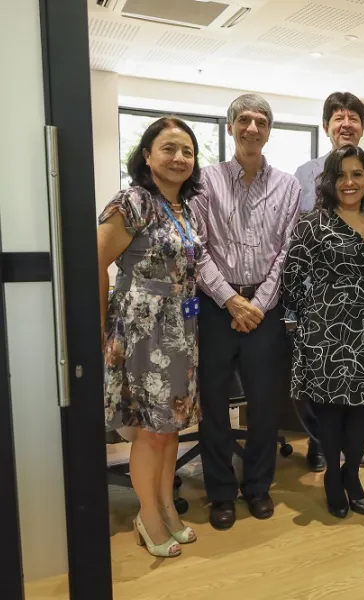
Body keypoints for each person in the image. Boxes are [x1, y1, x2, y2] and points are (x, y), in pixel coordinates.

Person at [194, 94, 301, 531]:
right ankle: (220, 492)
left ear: (269, 131)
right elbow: (196, 247)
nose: (252, 128)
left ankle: (258, 487)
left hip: (265, 310)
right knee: (214, 405)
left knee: (265, 404)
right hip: (216, 308)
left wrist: (257, 304)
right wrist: (230, 300)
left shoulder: (288, 186)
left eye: (260, 121)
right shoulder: (205, 180)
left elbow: (287, 251)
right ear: (230, 127)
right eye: (244, 119)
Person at [98, 116, 203, 558]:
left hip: (181, 329)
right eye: (169, 148)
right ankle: (148, 515)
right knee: (148, 432)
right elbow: (95, 262)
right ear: (146, 155)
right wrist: (100, 330)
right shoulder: (132, 202)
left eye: (187, 151)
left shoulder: (186, 208)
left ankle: (166, 507)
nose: (179, 158)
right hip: (142, 332)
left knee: (171, 426)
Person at [283, 144, 364, 518]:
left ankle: (352, 475)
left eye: (357, 174)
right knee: (330, 411)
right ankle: (332, 475)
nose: (349, 182)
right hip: (326, 333)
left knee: (363, 408)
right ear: (329, 180)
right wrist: (310, 318)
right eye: (341, 175)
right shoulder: (313, 223)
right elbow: (291, 279)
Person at [294, 91, 364, 472]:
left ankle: (353, 447)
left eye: (353, 117)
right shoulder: (305, 173)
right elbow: (296, 235)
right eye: (338, 117)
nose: (346, 124)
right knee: (320, 385)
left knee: (360, 384)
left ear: (362, 127)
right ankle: (321, 443)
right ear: (326, 126)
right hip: (320, 302)